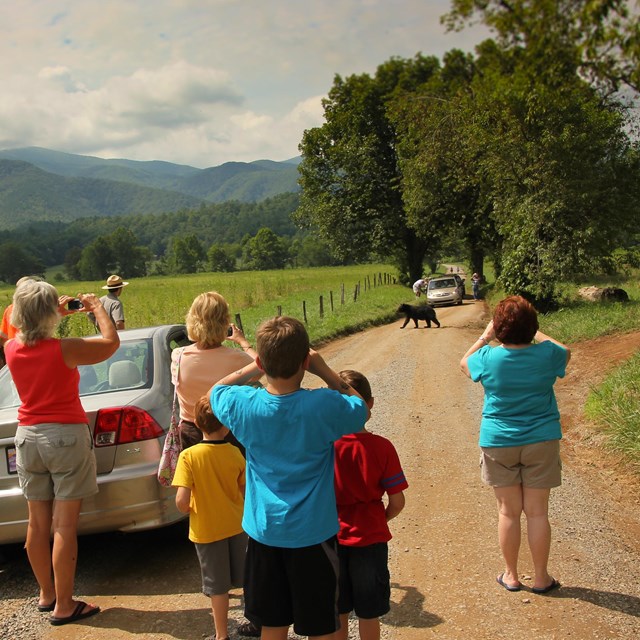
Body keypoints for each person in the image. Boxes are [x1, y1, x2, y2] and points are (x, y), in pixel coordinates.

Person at [210, 316, 369, 640]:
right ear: (305, 362)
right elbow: (360, 408)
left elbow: (217, 390)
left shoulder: (244, 405)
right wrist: (324, 370)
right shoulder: (322, 405)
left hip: (265, 533)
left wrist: (253, 366)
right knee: (320, 624)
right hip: (313, 536)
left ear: (261, 362)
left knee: (272, 623)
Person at [4, 279, 119, 626]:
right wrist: (97, 308)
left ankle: (46, 594)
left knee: (37, 524)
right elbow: (111, 343)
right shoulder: (64, 349)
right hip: (65, 436)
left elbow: (16, 317)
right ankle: (65, 605)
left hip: (27, 437)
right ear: (47, 312)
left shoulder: (11, 347)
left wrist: (44, 310)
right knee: (64, 526)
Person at [460, 295, 571, 595]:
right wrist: (535, 332)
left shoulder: (488, 358)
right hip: (541, 439)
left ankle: (511, 575)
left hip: (499, 441)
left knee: (508, 512)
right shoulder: (547, 355)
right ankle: (540, 578)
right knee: (537, 512)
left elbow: (463, 363)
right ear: (532, 326)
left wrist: (486, 335)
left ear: (499, 328)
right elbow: (565, 350)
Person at [171, 291, 261, 637]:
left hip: (193, 436)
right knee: (241, 506)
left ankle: (218, 592)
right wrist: (242, 341)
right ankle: (253, 602)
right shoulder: (233, 359)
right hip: (231, 436)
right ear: (225, 322)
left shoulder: (178, 356)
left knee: (206, 508)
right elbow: (262, 369)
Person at [333, 370, 408, 640]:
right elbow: (397, 501)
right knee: (368, 612)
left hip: (331, 536)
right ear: (371, 403)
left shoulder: (324, 447)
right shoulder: (382, 447)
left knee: (338, 610)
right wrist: (381, 518)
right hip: (371, 537)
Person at [173, 395, 247, 640]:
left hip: (207, 530)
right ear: (226, 425)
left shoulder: (189, 457)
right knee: (246, 577)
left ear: (196, 422)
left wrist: (193, 506)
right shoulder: (236, 453)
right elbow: (245, 491)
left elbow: (182, 501)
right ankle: (258, 621)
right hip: (236, 526)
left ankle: (221, 635)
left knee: (218, 587)